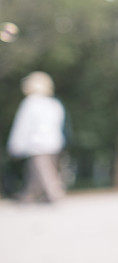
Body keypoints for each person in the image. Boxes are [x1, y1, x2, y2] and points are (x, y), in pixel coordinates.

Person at [6, 71, 66, 203]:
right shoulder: (54, 104)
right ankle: (29, 195)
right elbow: (59, 125)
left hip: (37, 144)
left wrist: (14, 145)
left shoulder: (30, 103)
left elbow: (23, 126)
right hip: (53, 143)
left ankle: (55, 194)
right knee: (35, 171)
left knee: (44, 172)